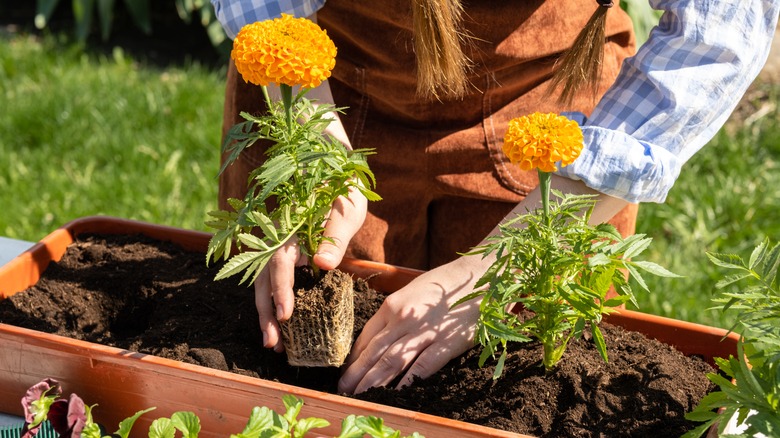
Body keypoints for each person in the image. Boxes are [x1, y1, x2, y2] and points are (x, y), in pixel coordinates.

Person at [210, 0, 779, 395]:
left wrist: (501, 263)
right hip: (324, 88)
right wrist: (314, 148)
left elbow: (714, 33)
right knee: (284, 350)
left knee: (539, 364)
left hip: (552, 124)